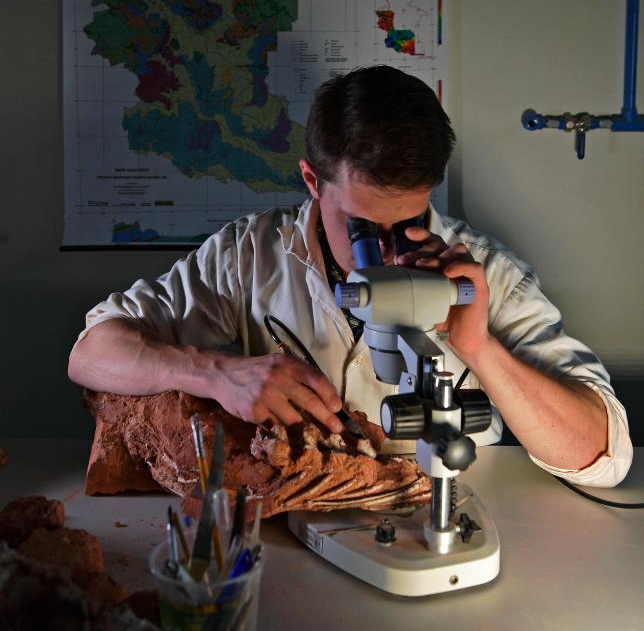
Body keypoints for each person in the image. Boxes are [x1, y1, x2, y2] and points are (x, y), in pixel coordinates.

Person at [68, 66, 632, 486]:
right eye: (363, 226)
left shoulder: (484, 271)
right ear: (313, 180)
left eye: (409, 221)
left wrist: (480, 347)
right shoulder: (249, 256)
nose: (384, 253)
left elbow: (604, 459)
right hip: (299, 528)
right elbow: (92, 353)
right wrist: (217, 374)